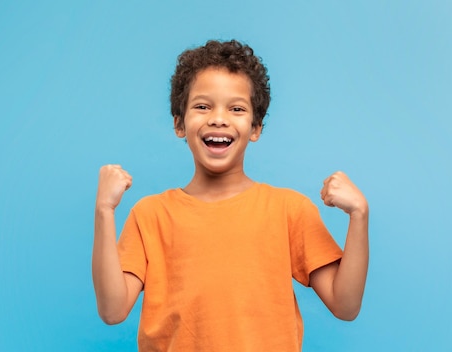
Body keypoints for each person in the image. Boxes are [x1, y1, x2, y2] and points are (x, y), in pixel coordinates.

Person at [92, 39, 369, 351]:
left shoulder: (289, 210)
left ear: (256, 127)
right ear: (179, 124)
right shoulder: (151, 215)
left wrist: (359, 215)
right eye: (202, 106)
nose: (219, 118)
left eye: (236, 108)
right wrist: (104, 210)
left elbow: (345, 306)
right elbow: (113, 311)